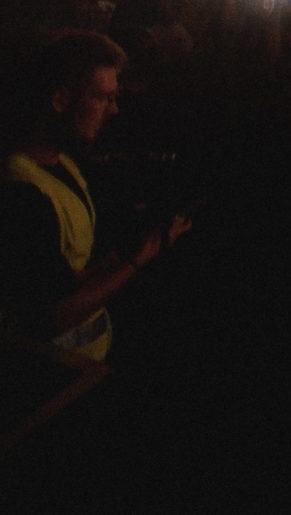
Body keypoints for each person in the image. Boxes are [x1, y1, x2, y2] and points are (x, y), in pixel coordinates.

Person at [0, 30, 189, 361]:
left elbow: (69, 270)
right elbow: (51, 316)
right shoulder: (20, 189)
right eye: (102, 98)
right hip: (51, 378)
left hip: (81, 364)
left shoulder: (64, 163)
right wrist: (138, 258)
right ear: (60, 100)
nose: (113, 110)